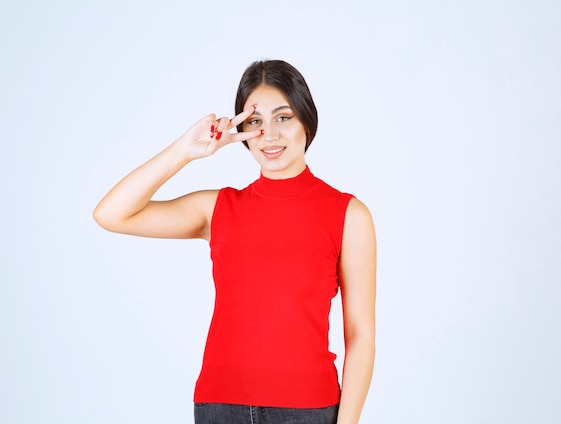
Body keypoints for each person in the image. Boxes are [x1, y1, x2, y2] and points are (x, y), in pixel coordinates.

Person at [93, 59, 376, 424]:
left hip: (308, 410)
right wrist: (185, 149)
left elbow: (361, 333)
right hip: (219, 405)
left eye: (284, 117)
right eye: (256, 121)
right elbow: (111, 214)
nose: (269, 135)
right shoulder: (218, 208)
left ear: (307, 119)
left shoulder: (349, 215)